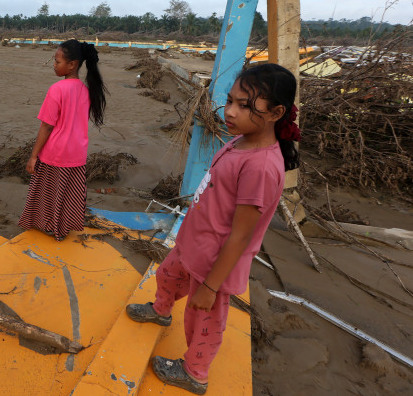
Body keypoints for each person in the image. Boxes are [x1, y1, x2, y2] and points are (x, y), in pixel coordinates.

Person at [125, 63, 300, 394]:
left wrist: (209, 286)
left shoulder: (261, 167)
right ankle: (161, 310)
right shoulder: (240, 141)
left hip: (215, 266)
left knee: (202, 322)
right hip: (193, 245)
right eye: (230, 100)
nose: (231, 112)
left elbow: (241, 235)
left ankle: (195, 373)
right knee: (166, 276)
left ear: (276, 112)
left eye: (245, 106)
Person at [18, 39, 108, 241]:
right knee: (67, 194)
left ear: (72, 64)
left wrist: (33, 156)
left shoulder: (57, 89)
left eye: (57, 61)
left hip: (55, 152)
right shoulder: (86, 90)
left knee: (49, 193)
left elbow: (47, 126)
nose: (54, 65)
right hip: (77, 153)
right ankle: (63, 226)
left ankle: (49, 226)